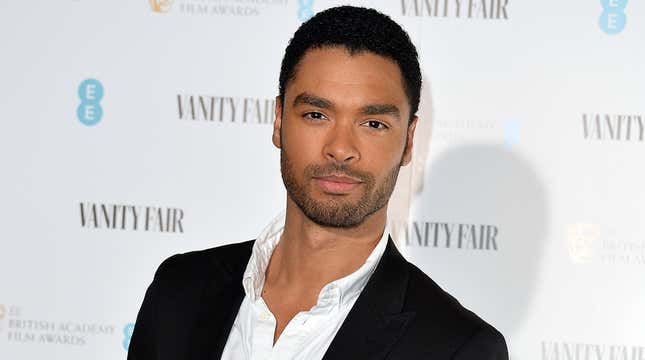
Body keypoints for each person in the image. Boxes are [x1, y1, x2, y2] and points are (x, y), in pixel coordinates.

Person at [128, 6, 508, 360]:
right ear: (278, 120)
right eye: (316, 114)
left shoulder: (457, 348)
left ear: (408, 141)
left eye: (373, 124)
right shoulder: (179, 290)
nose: (340, 149)